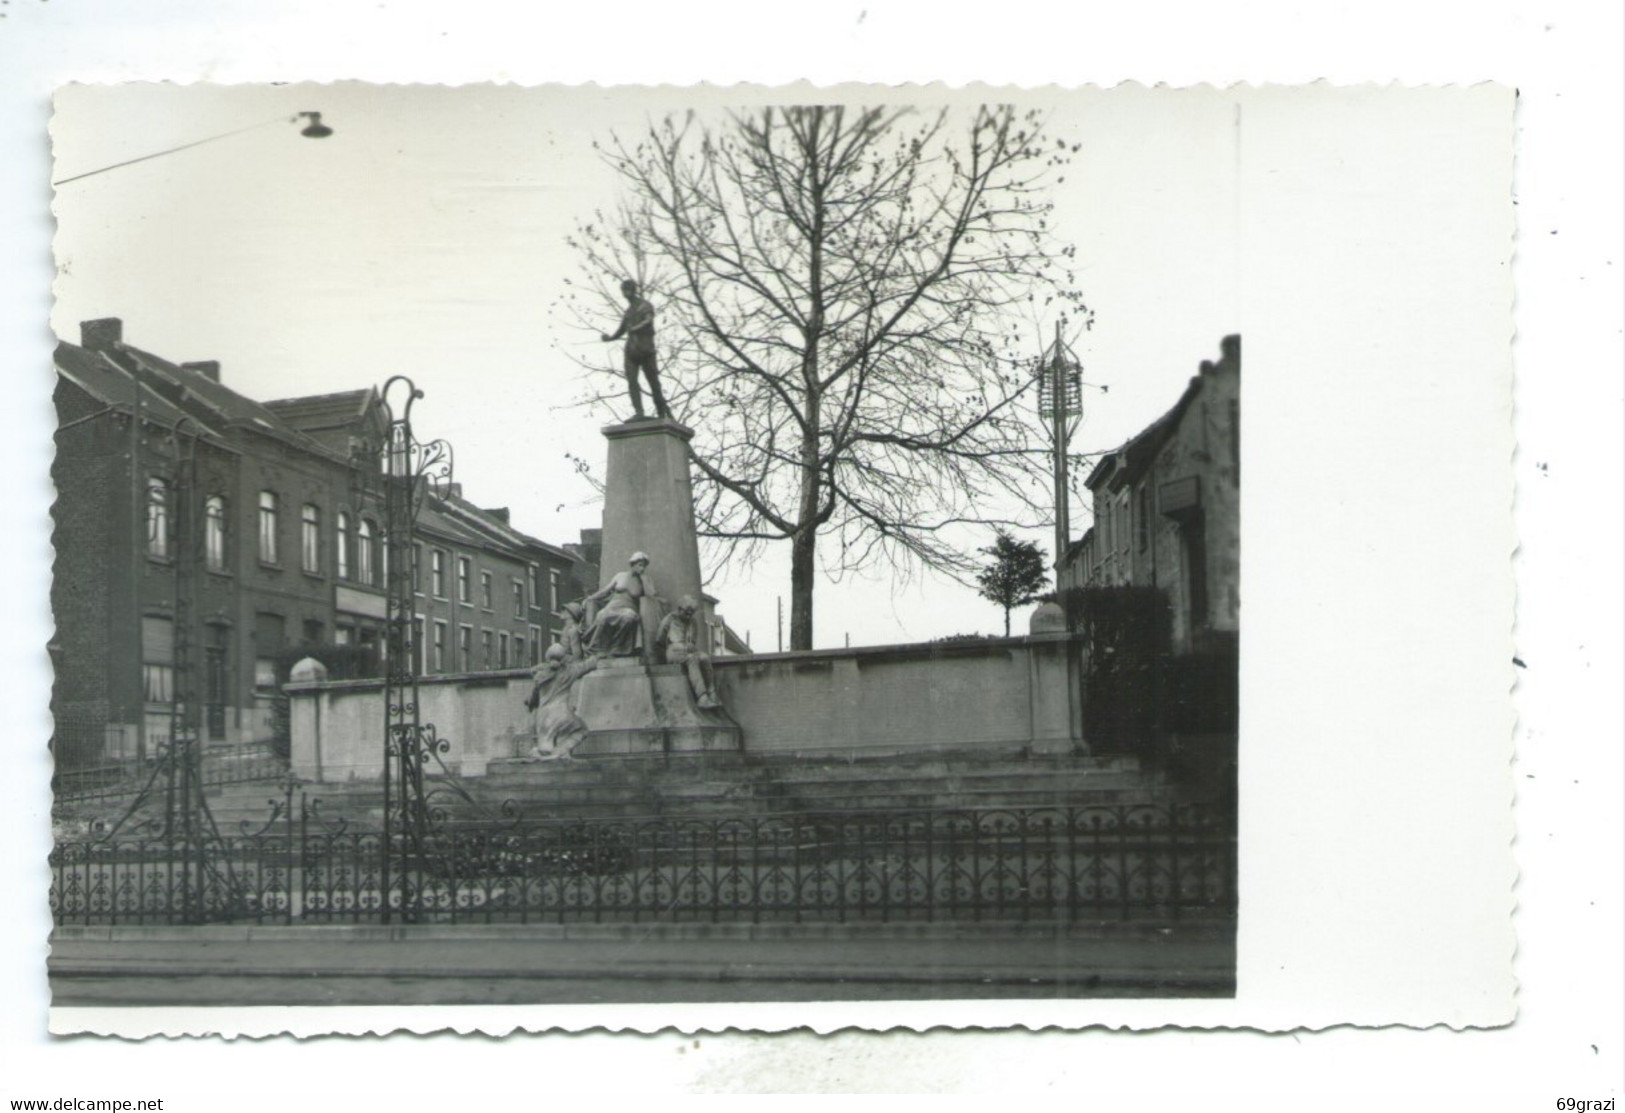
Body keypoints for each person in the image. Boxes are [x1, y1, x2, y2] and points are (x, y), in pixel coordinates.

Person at [601, 279, 670, 420]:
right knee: (632, 381)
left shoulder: (645, 306)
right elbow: (621, 330)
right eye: (623, 291)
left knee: (653, 382)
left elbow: (648, 320)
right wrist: (609, 338)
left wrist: (635, 328)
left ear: (633, 290)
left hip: (646, 349)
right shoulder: (628, 312)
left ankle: (661, 412)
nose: (625, 293)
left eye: (627, 290)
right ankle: (639, 412)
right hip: (631, 351)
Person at [523, 643, 596, 761]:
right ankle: (561, 752)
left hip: (544, 718)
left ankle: (550, 754)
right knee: (581, 730)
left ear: (547, 657)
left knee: (545, 748)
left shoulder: (540, 675)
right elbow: (588, 665)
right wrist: (593, 656)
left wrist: (529, 702)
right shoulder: (570, 671)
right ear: (563, 658)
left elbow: (533, 698)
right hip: (563, 715)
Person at [583, 552, 658, 659]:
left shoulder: (644, 580)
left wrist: (644, 580)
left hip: (629, 607)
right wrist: (591, 598)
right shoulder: (620, 575)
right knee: (602, 615)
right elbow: (605, 591)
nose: (642, 568)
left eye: (644, 566)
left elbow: (652, 594)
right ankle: (598, 648)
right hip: (613, 605)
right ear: (633, 564)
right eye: (640, 565)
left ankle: (617, 648)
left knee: (629, 617)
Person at [658, 594, 720, 710]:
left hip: (688, 650)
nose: (688, 616)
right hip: (674, 651)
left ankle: (712, 692)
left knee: (704, 658)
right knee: (692, 659)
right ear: (680, 609)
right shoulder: (669, 619)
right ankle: (702, 697)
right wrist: (674, 646)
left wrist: (690, 645)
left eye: (691, 613)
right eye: (686, 612)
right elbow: (659, 638)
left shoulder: (693, 622)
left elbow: (693, 640)